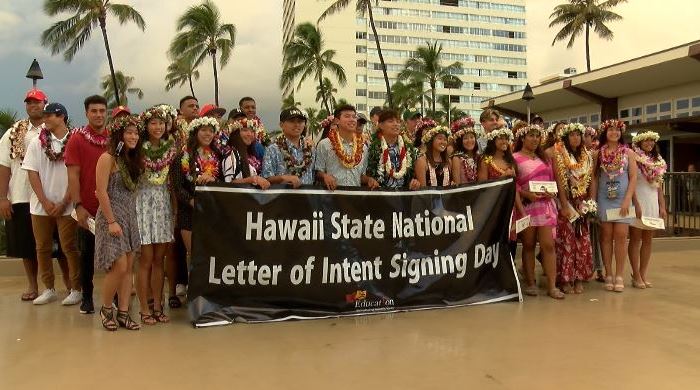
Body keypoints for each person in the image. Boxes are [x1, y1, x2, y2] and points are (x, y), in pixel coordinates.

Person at [22, 103, 81, 306]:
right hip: (40, 206)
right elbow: (32, 172)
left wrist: (66, 200)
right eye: (45, 114)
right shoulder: (37, 142)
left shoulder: (75, 140)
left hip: (68, 204)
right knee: (42, 248)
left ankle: (76, 289)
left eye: (49, 115)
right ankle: (48, 288)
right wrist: (45, 201)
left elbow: (77, 173)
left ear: (62, 116)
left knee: (69, 247)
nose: (45, 118)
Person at [94, 115, 143, 331]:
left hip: (129, 217)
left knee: (128, 267)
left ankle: (124, 312)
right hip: (111, 217)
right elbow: (101, 192)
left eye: (136, 133)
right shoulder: (108, 158)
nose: (133, 136)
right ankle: (106, 309)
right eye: (129, 132)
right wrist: (112, 221)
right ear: (119, 135)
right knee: (119, 265)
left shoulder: (132, 160)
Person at [0, 89, 48, 302]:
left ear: (45, 104)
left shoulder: (55, 129)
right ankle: (32, 284)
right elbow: (4, 166)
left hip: (49, 197)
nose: (33, 106)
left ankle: (61, 286)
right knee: (26, 246)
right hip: (21, 195)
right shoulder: (12, 133)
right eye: (29, 102)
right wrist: (3, 197)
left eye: (37, 102)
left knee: (56, 245)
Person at [65, 95, 110, 314]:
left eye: (102, 110)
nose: (99, 115)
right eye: (94, 111)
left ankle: (114, 298)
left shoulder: (114, 138)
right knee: (87, 256)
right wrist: (78, 205)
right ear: (86, 113)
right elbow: (73, 175)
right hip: (88, 208)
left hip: (112, 208)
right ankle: (87, 297)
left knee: (114, 256)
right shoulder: (77, 139)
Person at [513, 124, 563, 299]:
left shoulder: (546, 158)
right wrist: (527, 194)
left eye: (537, 136)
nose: (534, 139)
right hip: (527, 207)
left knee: (548, 246)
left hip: (545, 207)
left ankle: (552, 285)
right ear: (522, 138)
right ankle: (531, 283)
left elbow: (553, 181)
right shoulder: (515, 158)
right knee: (528, 245)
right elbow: (513, 186)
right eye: (531, 136)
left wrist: (552, 192)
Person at [135, 106, 175, 324]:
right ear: (146, 126)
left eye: (161, 123)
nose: (158, 127)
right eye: (153, 123)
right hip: (142, 206)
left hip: (162, 206)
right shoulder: (138, 149)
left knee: (160, 259)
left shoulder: (172, 149)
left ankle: (159, 305)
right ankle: (143, 308)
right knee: (146, 259)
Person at [589, 119, 638, 293]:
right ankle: (608, 273)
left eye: (617, 130)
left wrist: (627, 199)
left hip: (622, 199)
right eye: (610, 129)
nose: (614, 133)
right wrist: (593, 201)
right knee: (606, 236)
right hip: (604, 198)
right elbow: (594, 178)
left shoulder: (629, 153)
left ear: (621, 133)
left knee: (621, 236)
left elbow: (633, 178)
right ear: (605, 132)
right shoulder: (597, 153)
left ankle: (619, 275)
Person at [171, 117, 223, 256]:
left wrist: (213, 179)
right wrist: (193, 201)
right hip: (189, 215)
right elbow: (177, 188)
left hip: (212, 213)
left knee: (212, 257)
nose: (208, 134)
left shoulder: (218, 157)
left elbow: (225, 183)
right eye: (203, 130)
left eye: (211, 131)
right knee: (196, 258)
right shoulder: (182, 157)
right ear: (195, 132)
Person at [553, 123, 594, 294]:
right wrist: (563, 204)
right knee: (566, 241)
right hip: (566, 202)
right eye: (572, 135)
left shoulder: (587, 156)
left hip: (582, 202)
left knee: (582, 241)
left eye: (579, 135)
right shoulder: (559, 154)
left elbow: (591, 179)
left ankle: (579, 278)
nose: (576, 138)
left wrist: (590, 203)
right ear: (566, 137)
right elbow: (559, 181)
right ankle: (565, 279)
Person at [628, 131, 667, 288]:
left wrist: (663, 207)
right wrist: (635, 203)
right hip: (638, 200)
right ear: (639, 142)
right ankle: (635, 274)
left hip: (652, 203)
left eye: (652, 141)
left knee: (648, 240)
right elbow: (631, 182)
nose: (649, 144)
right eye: (646, 141)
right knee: (636, 239)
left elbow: (659, 187)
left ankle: (643, 274)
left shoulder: (658, 161)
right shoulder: (634, 158)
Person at [477, 126, 519, 261]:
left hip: (510, 207)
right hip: (493, 208)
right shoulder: (485, 160)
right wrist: (502, 177)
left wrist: (521, 210)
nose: (504, 141)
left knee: (511, 241)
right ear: (493, 140)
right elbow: (482, 187)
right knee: (494, 241)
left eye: (506, 138)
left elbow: (515, 188)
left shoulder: (511, 161)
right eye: (501, 138)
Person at [314, 105, 378, 190]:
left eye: (354, 117)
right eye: (347, 116)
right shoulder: (324, 144)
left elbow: (361, 176)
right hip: (332, 195)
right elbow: (317, 172)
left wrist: (369, 180)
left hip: (354, 197)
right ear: (337, 120)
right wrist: (325, 176)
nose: (352, 119)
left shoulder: (363, 148)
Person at [366, 109, 420, 190]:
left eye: (398, 122)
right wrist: (370, 180)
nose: (396, 124)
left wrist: (415, 182)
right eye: (390, 121)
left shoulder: (408, 148)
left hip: (404, 197)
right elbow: (366, 174)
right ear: (380, 125)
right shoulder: (372, 148)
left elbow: (413, 176)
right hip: (380, 197)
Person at [262, 108, 315, 187]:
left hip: (308, 197)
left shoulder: (310, 148)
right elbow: (266, 178)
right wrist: (284, 178)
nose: (296, 124)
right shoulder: (273, 149)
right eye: (292, 121)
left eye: (300, 121)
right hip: (282, 197)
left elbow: (315, 175)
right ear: (281, 125)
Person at [223, 117, 271, 189]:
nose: (249, 134)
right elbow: (229, 184)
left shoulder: (252, 155)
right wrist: (253, 179)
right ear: (236, 133)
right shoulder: (232, 155)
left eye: (252, 131)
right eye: (245, 130)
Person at [584, 126, 604, 282]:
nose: (585, 139)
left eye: (587, 136)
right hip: (578, 199)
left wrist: (593, 200)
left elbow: (595, 177)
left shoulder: (595, 154)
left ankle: (598, 268)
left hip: (594, 198)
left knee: (596, 235)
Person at [450, 116, 482, 185]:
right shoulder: (457, 158)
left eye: (472, 137)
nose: (469, 141)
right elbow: (457, 185)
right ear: (460, 141)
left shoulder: (478, 157)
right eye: (465, 138)